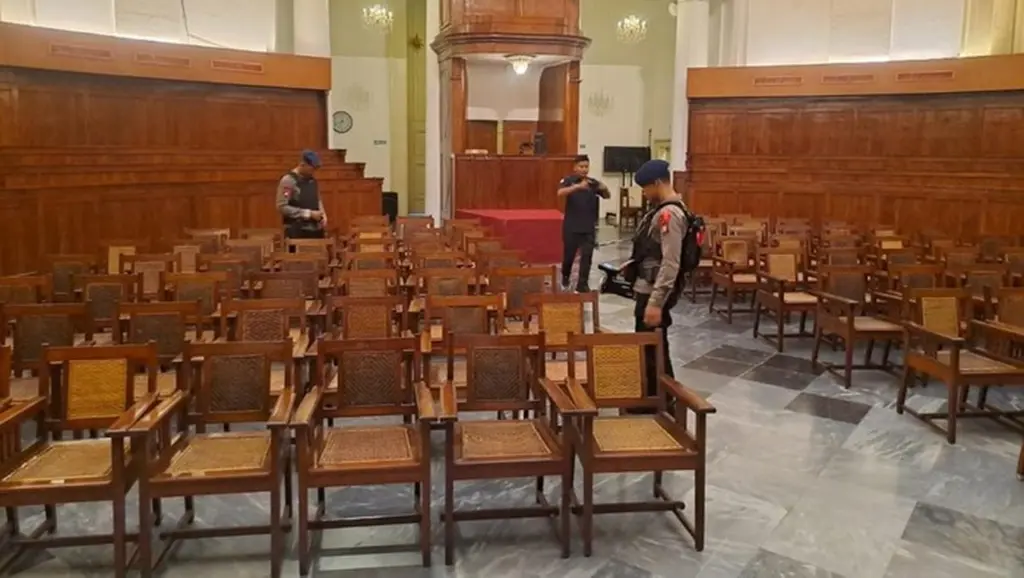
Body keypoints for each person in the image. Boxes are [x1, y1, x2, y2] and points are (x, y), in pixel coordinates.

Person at [630, 159, 688, 397]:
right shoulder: (664, 209)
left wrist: (656, 302)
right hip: (647, 288)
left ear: (656, 183)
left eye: (645, 188)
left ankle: (661, 399)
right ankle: (656, 398)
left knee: (654, 352)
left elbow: (670, 262)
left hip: (653, 293)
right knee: (651, 350)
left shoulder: (669, 214)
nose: (644, 194)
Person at [556, 154, 610, 292]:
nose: (584, 169)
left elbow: (606, 195)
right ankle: (565, 276)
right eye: (581, 166)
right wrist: (578, 187)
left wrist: (604, 188)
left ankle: (582, 285)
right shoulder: (568, 180)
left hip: (588, 228)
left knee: (587, 257)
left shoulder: (592, 183)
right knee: (569, 257)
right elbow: (560, 193)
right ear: (575, 167)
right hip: (572, 227)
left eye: (586, 166)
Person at [277, 149, 327, 239]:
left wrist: (323, 214)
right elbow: (282, 206)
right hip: (296, 231)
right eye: (312, 169)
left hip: (315, 230)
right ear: (302, 164)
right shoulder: (288, 181)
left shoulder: (312, 180)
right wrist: (309, 213)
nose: (313, 172)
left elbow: (318, 199)